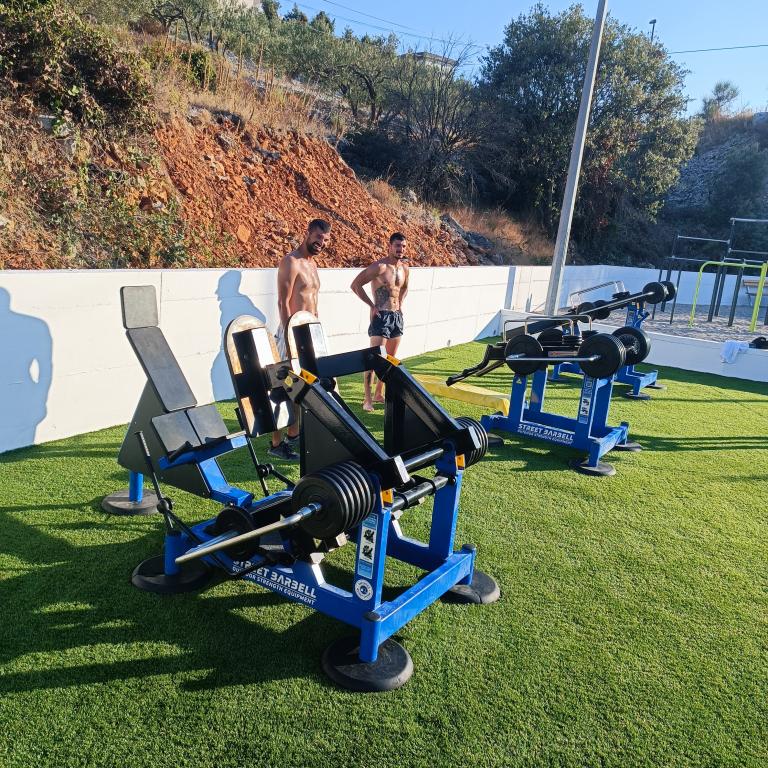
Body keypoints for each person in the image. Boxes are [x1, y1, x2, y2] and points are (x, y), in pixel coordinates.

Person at [268, 218, 331, 460]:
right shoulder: (291, 262)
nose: (321, 243)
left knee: (304, 387)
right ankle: (276, 444)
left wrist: (318, 331)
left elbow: (313, 302)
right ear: (307, 233)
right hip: (291, 333)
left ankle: (293, 436)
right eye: (318, 237)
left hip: (311, 333)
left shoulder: (313, 265)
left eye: (325, 240)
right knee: (282, 387)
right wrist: (288, 335)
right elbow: (283, 302)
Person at [350, 232, 409, 412]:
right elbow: (355, 285)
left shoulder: (405, 269)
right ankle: (367, 399)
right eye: (397, 246)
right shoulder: (380, 267)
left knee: (390, 359)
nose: (400, 249)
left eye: (403, 246)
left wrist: (400, 304)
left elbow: (404, 288)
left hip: (396, 317)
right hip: (381, 316)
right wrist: (371, 305)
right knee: (374, 358)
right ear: (390, 246)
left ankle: (378, 393)